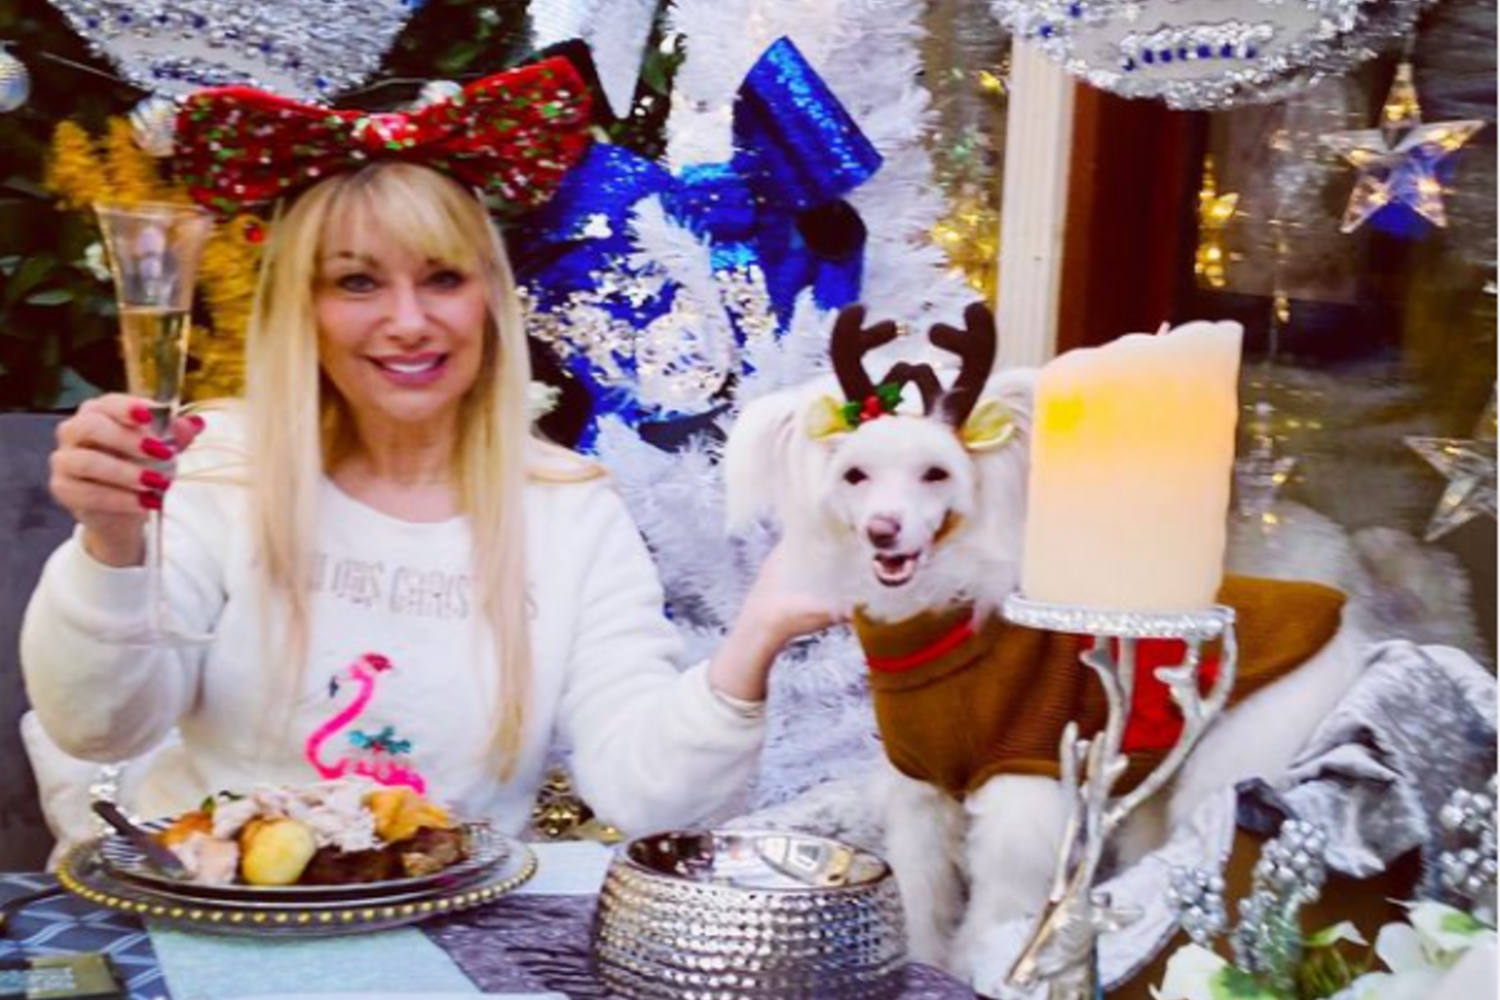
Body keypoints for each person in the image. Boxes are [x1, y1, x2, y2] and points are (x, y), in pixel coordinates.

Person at [21, 152, 835, 838]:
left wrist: (755, 635)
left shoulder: (568, 510)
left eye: (443, 279)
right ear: (303, 308)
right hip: (214, 922)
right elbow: (99, 727)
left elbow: (647, 795)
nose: (409, 321)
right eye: (358, 282)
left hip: (446, 937)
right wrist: (111, 548)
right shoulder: (221, 468)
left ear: (489, 301)